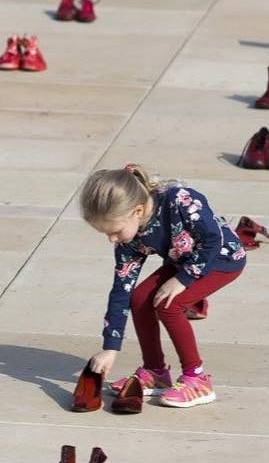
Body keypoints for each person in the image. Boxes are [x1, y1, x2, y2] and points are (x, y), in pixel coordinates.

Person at [80, 164, 246, 408]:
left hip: (222, 259)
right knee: (139, 298)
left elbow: (213, 239)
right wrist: (110, 348)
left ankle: (197, 379)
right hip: (184, 261)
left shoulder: (180, 201)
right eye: (106, 234)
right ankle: (155, 371)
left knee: (170, 304)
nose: (112, 239)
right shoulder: (130, 238)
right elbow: (121, 291)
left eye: (115, 231)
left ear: (137, 211)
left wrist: (183, 279)